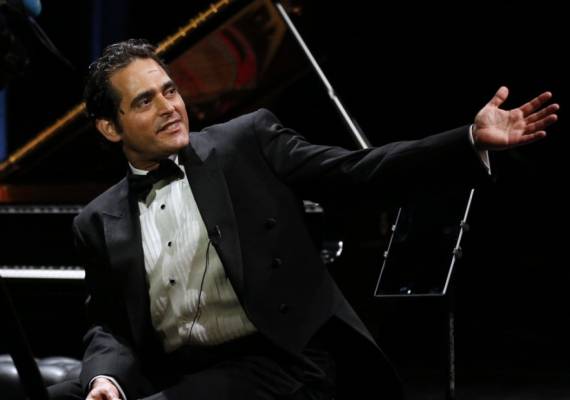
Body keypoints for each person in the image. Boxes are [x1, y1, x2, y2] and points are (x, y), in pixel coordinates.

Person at [48, 38, 558, 400]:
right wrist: (105, 379)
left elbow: (357, 172)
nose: (169, 107)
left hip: (274, 361)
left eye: (170, 91)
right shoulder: (97, 219)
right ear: (110, 127)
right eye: (145, 101)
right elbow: (109, 325)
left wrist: (466, 140)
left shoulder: (244, 143)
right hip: (173, 369)